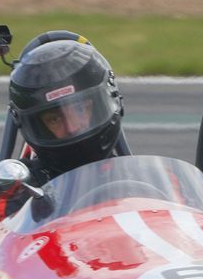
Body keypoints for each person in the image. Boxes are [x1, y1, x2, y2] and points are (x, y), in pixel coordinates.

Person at [7, 36, 127, 180]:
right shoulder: (19, 190)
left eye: (79, 110)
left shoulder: (138, 177)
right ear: (40, 127)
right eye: (54, 119)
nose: (72, 128)